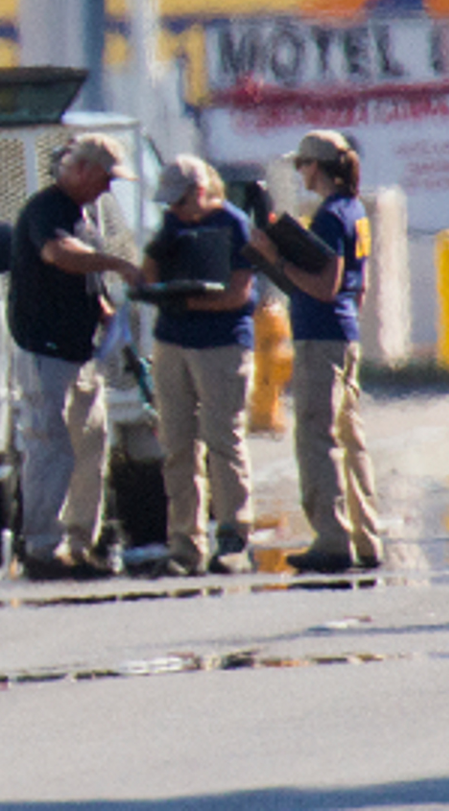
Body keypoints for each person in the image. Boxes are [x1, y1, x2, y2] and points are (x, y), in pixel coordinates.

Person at [8, 133, 142, 580]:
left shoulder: (86, 217)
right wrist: (114, 263)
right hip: (46, 352)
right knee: (51, 447)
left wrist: (109, 317)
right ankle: (42, 546)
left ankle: (79, 541)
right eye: (105, 178)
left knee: (91, 445)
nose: (108, 188)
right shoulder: (46, 210)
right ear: (82, 169)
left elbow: (88, 285)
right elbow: (57, 254)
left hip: (82, 353)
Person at [248, 130, 382, 574]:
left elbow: (325, 285)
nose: (299, 173)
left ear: (317, 167)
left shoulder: (328, 216)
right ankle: (366, 536)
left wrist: (276, 259)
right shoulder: (354, 210)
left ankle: (331, 538)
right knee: (350, 438)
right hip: (343, 335)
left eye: (301, 165)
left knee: (316, 436)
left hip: (320, 336)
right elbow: (351, 287)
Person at [140, 156, 258, 577]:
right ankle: (185, 543)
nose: (174, 210)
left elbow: (238, 295)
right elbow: (146, 277)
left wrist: (189, 300)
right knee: (177, 444)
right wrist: (157, 260)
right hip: (173, 340)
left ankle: (233, 536)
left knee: (223, 439)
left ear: (201, 191)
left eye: (180, 201)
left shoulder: (233, 225)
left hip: (220, 342)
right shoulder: (172, 226)